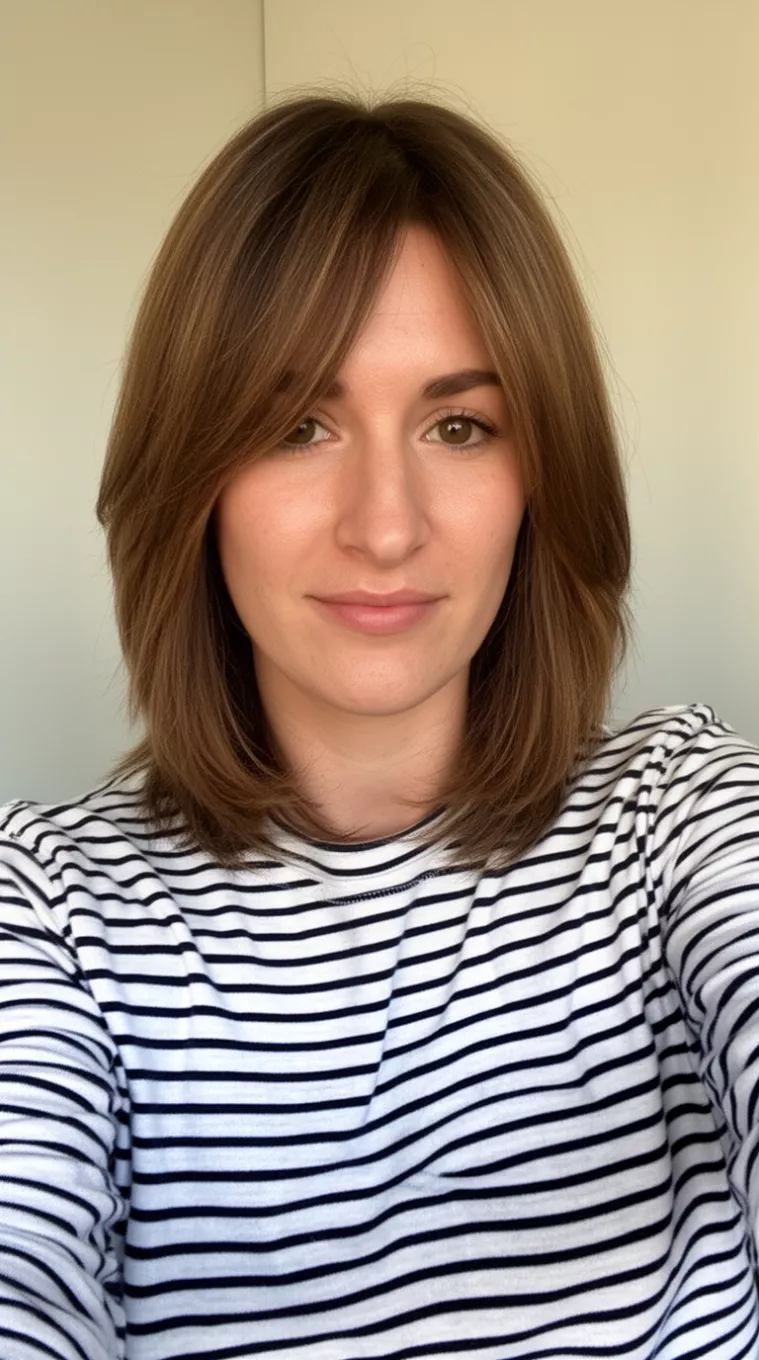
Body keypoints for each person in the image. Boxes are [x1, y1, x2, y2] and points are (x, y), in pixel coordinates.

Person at [1, 89, 758, 1360]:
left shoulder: (678, 815)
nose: (387, 525)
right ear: (190, 474)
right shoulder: (48, 909)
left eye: (460, 425)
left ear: (543, 474)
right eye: (298, 424)